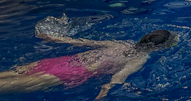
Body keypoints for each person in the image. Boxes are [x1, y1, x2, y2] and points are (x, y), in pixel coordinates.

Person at [0, 29, 177, 97]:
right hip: (69, 74)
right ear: (158, 48)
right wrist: (102, 94)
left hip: (60, 62)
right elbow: (116, 79)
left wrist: (54, 39)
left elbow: (81, 42)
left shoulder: (121, 43)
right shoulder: (139, 59)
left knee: (9, 75)